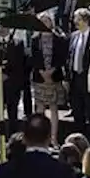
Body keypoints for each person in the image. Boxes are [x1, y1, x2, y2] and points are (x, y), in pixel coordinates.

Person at [29, 10, 68, 145]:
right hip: (39, 78)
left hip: (54, 77)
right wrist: (42, 72)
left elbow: (62, 57)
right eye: (43, 21)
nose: (45, 23)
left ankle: (53, 138)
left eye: (47, 20)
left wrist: (51, 72)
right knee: (40, 108)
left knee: (53, 108)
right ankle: (39, 138)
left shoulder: (59, 38)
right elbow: (32, 57)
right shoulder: (34, 39)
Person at [68, 8, 90, 140]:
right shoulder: (74, 36)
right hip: (75, 78)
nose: (75, 22)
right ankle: (78, 140)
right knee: (77, 111)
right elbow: (70, 56)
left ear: (86, 20)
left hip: (89, 78)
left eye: (78, 19)